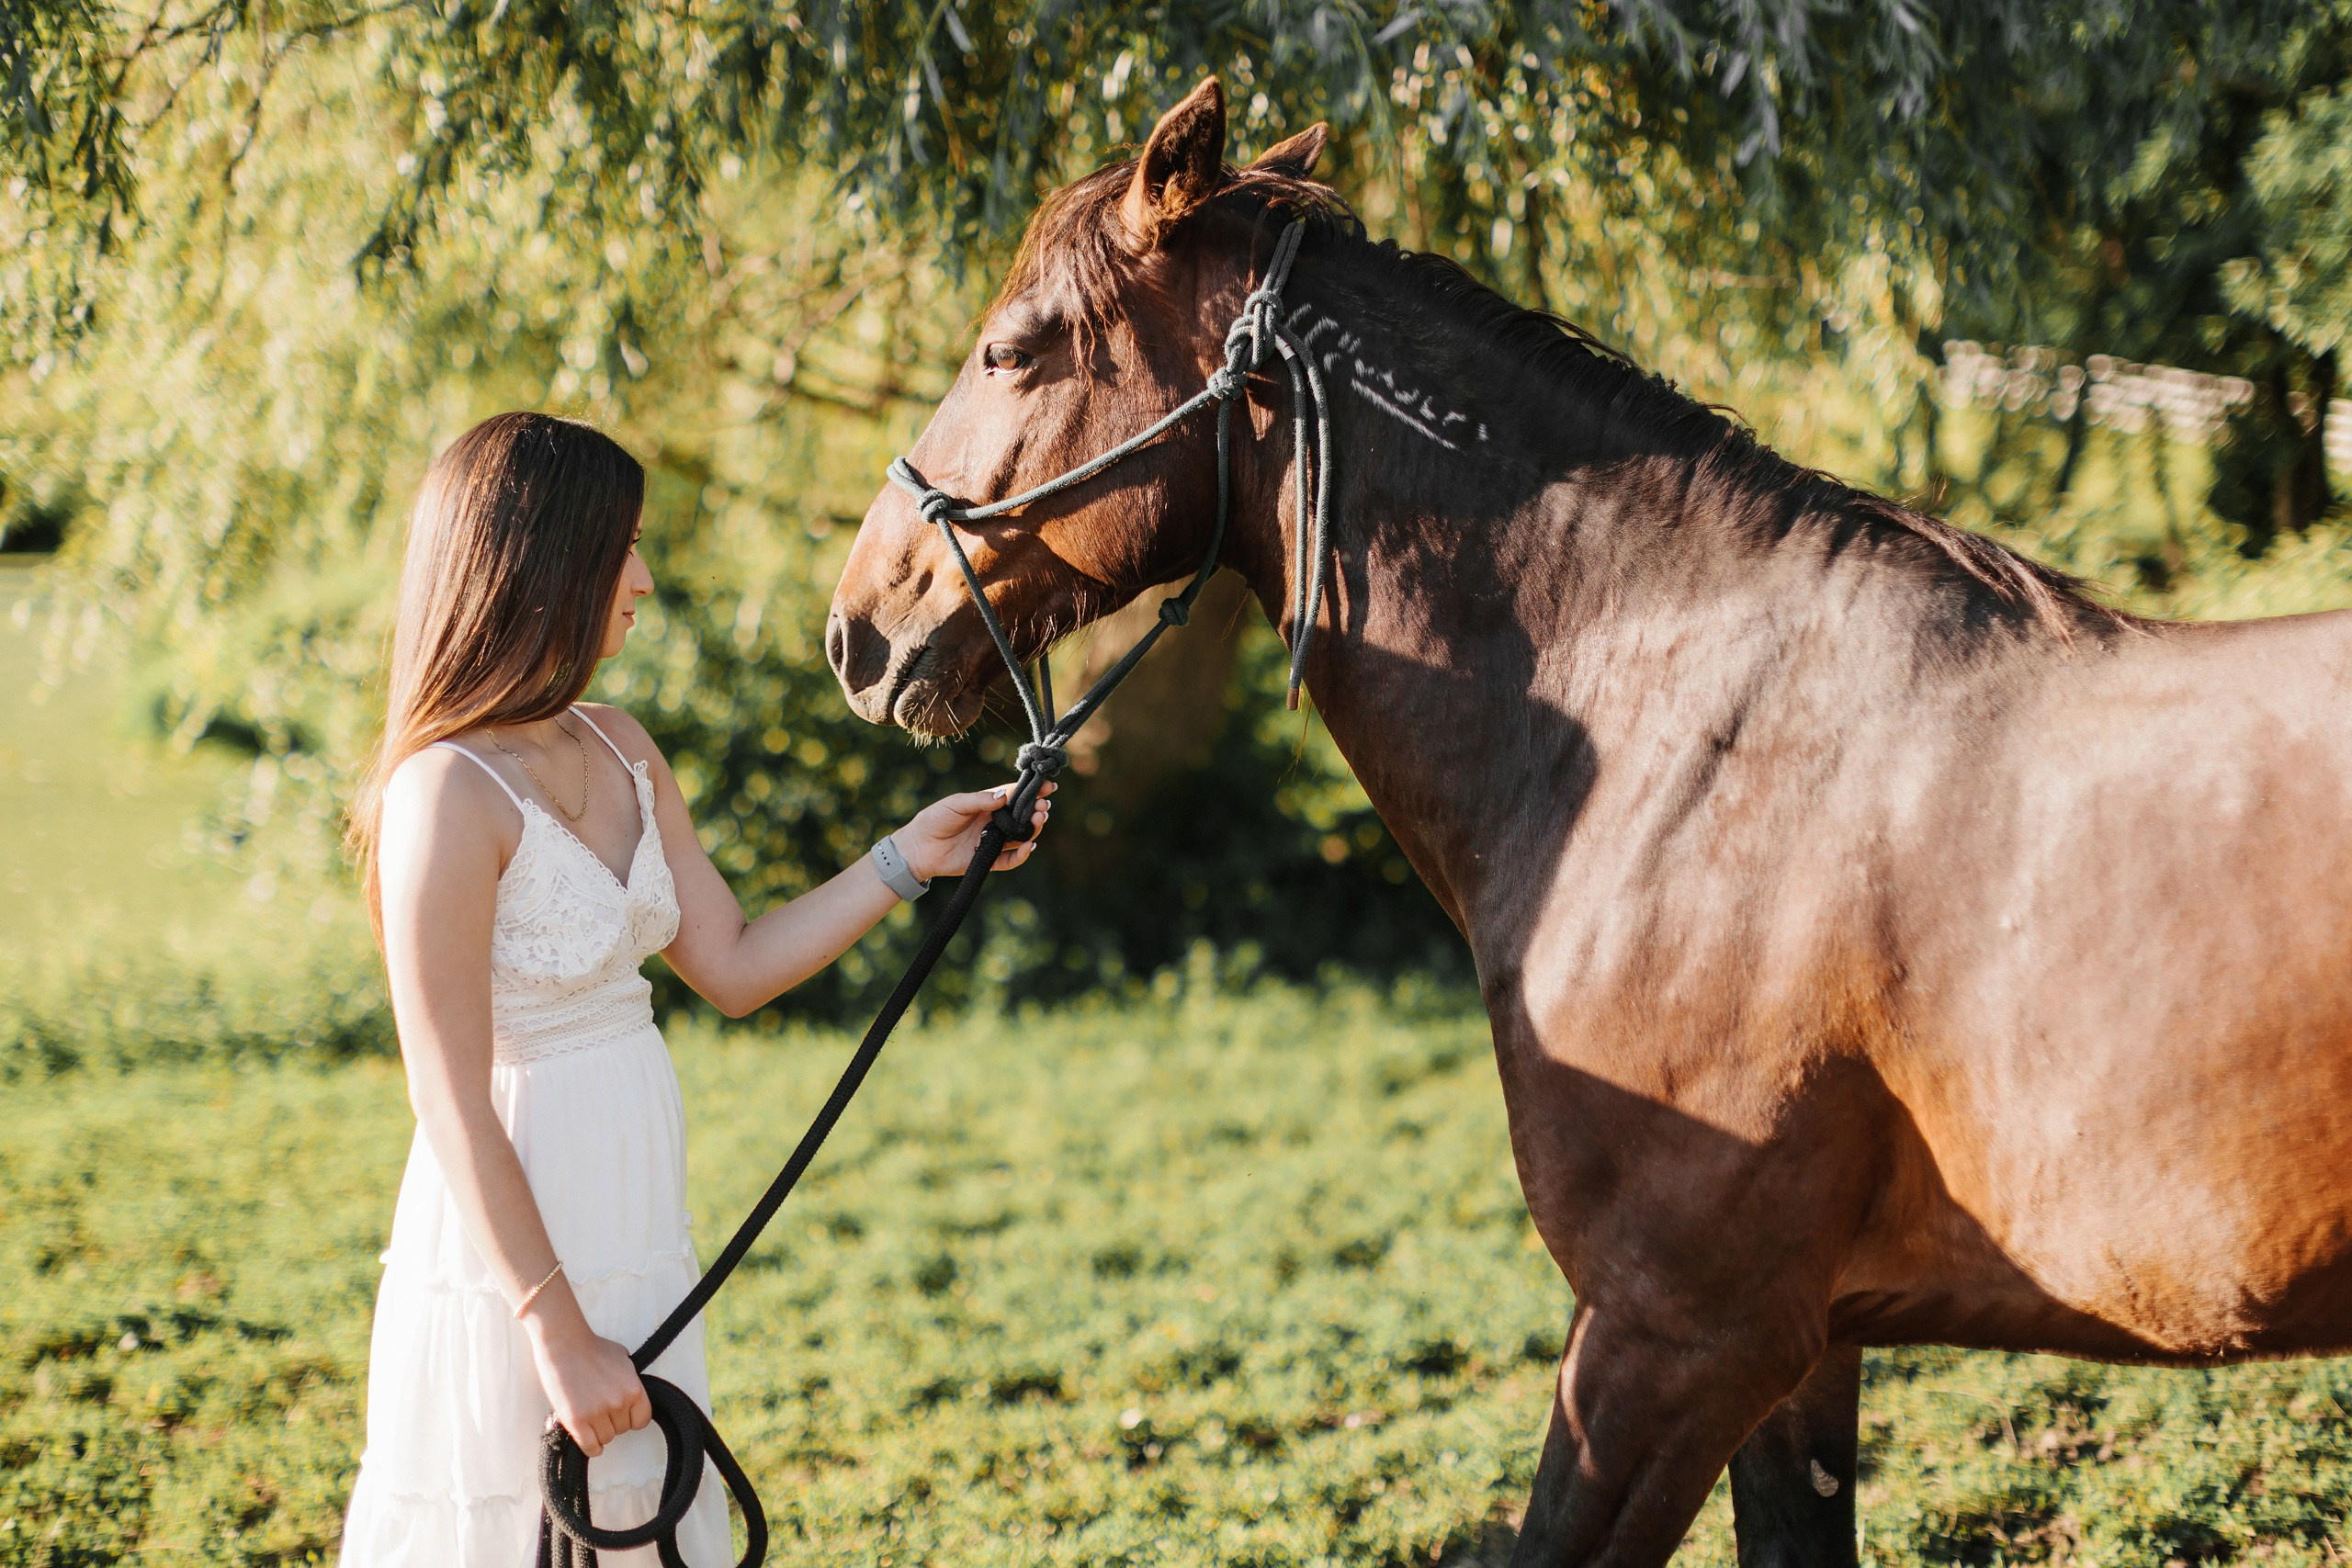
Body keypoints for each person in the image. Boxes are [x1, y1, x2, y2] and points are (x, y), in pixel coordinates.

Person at [335, 412, 1048, 1565]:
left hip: (632, 1212)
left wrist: (907, 857)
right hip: (514, 1244)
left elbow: (733, 962)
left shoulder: (621, 746)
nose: (646, 580)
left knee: (636, 1511)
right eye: (623, 550)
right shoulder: (444, 795)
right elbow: (451, 1103)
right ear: (540, 560)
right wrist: (554, 1332)